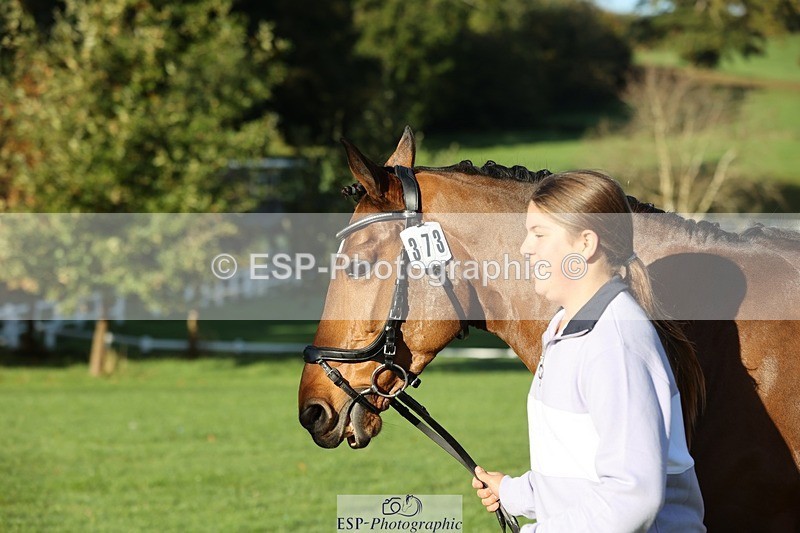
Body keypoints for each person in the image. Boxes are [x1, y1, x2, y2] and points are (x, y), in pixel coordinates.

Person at [472, 170, 706, 532]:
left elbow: (633, 498)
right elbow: (579, 470)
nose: (524, 248)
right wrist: (514, 492)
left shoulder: (614, 342)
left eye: (539, 234)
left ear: (585, 244)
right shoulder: (564, 328)